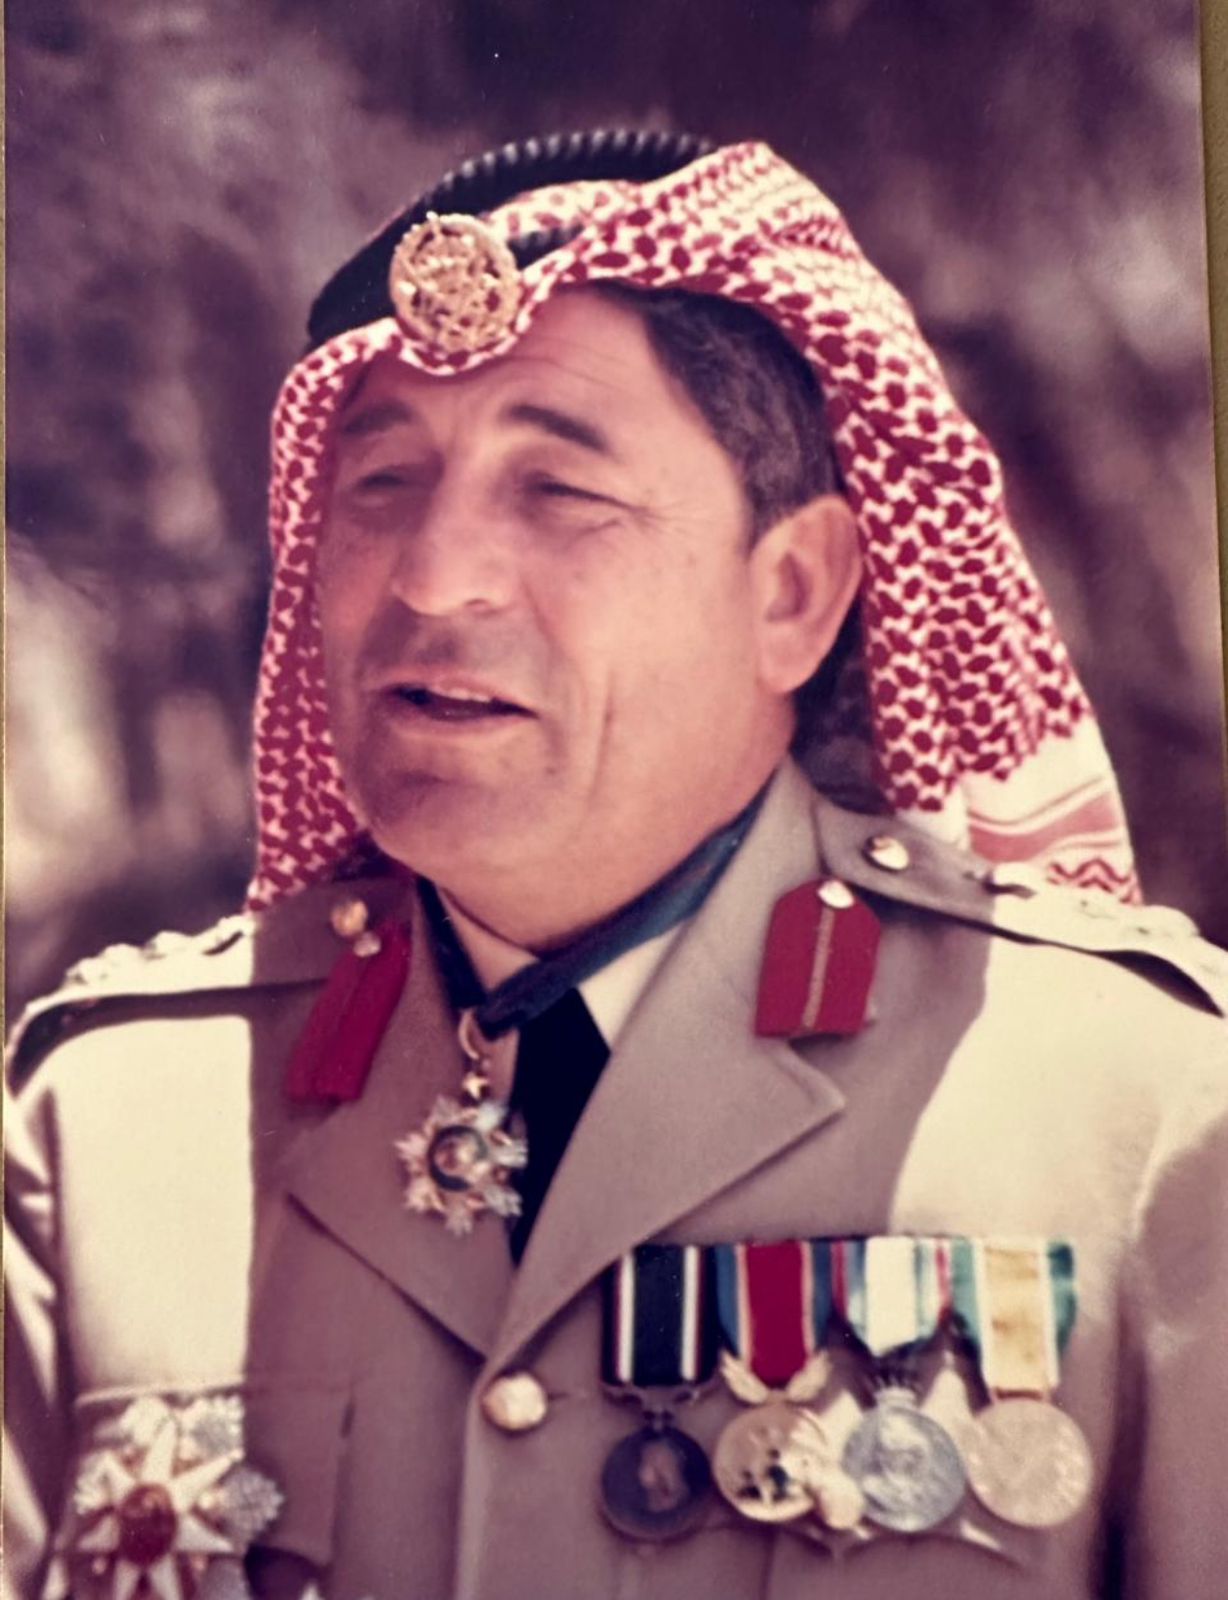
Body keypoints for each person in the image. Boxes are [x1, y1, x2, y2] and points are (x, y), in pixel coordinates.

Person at [5, 129, 1227, 1600]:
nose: (433, 575)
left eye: (559, 491)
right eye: (380, 483)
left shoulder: (1134, 1111)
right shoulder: (106, 1126)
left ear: (795, 594)